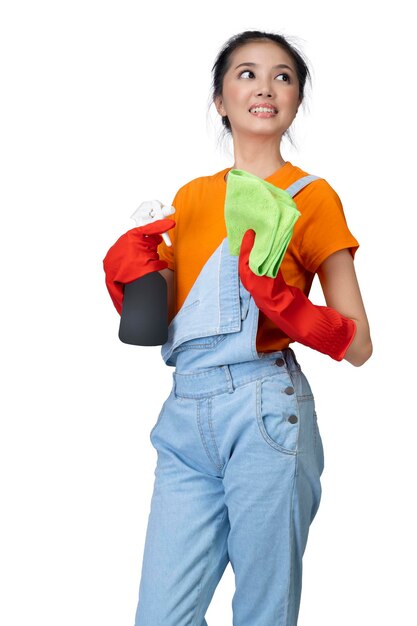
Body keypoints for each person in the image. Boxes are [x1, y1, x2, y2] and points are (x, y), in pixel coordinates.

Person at [103, 30, 372, 626]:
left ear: (296, 100)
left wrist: (285, 304)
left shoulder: (312, 198)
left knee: (262, 614)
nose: (265, 87)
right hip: (183, 415)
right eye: (246, 74)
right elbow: (165, 320)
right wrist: (130, 276)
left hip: (265, 411)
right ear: (220, 99)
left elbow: (358, 344)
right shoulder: (190, 198)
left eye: (283, 76)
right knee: (161, 617)